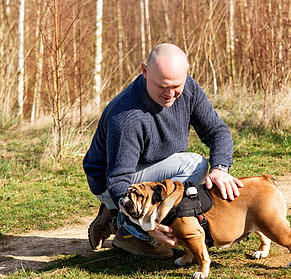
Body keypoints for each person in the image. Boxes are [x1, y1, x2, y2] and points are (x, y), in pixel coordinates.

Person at [83, 43, 243, 257]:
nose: (170, 93)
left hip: (146, 170)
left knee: (198, 166)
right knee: (194, 166)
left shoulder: (190, 90)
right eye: (162, 86)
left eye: (176, 85)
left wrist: (221, 169)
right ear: (145, 71)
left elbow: (217, 132)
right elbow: (118, 180)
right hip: (110, 179)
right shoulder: (127, 116)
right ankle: (132, 234)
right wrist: (147, 225)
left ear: (186, 72)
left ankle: (116, 216)